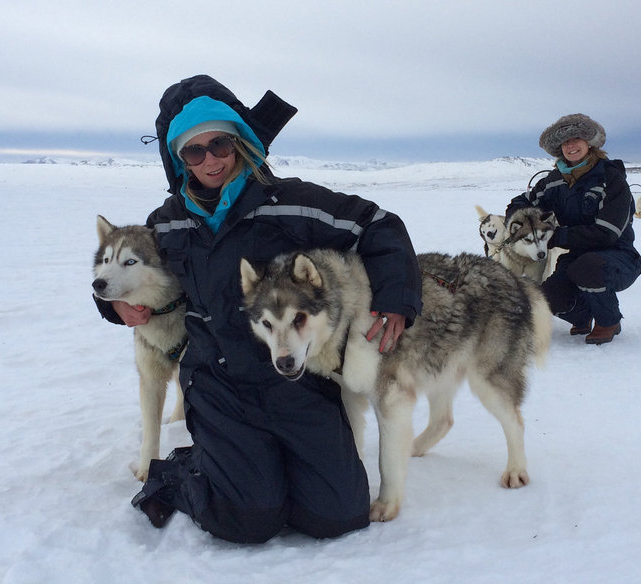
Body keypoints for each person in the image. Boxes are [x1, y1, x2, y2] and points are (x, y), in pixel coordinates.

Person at [95, 75, 423, 543]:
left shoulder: (291, 204)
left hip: (297, 384)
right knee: (247, 518)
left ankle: (266, 468)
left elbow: (378, 225)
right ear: (178, 158)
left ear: (240, 141)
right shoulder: (166, 224)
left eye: (220, 143)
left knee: (337, 516)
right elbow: (125, 274)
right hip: (218, 384)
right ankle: (181, 474)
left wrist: (396, 298)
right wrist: (114, 309)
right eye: (194, 150)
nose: (210, 159)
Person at [506, 114, 641, 345]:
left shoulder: (610, 178)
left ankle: (608, 320)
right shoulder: (553, 181)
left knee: (587, 267)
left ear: (588, 142)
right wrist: (522, 223)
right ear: (559, 148)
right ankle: (583, 314)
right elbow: (520, 203)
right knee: (547, 297)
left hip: (617, 256)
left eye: (576, 139)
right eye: (565, 142)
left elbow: (607, 233)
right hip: (577, 256)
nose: (571, 146)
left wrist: (555, 237)